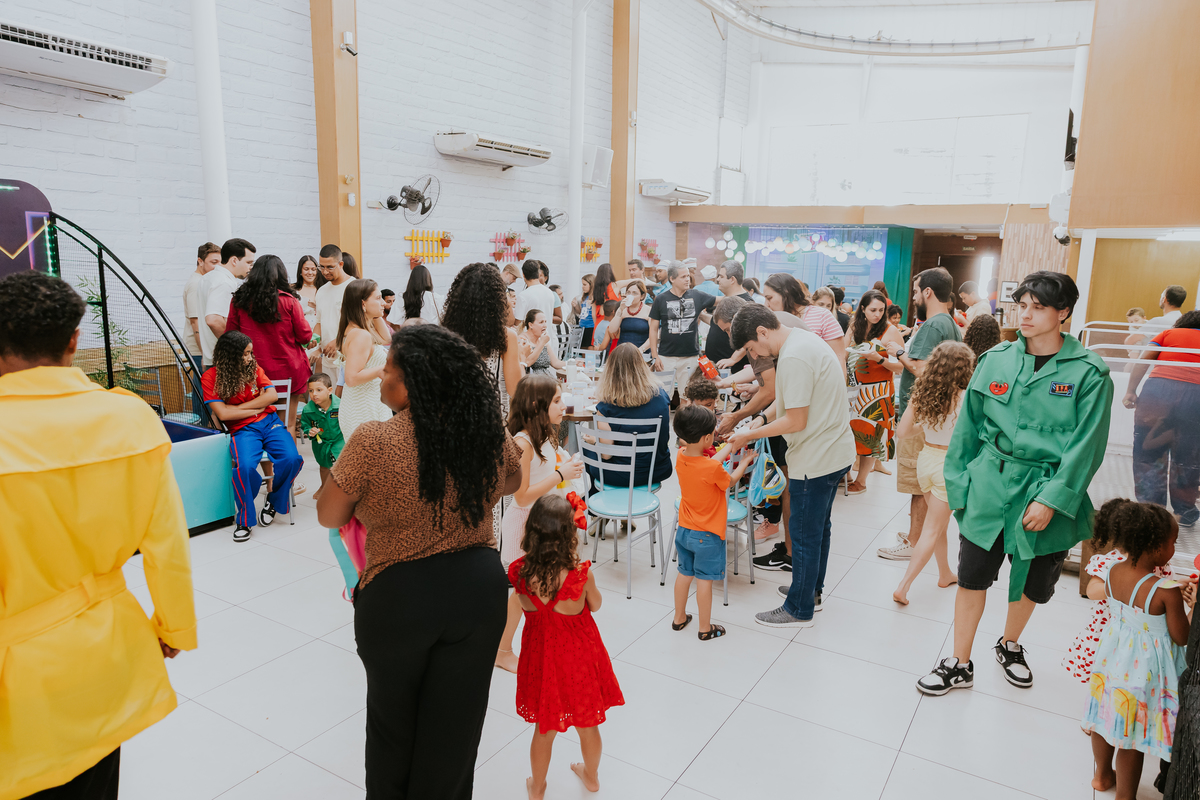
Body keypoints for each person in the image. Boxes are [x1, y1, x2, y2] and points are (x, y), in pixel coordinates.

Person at [0, 272, 197, 800]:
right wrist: (172, 628)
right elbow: (167, 545)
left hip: (18, 675)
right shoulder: (129, 418)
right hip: (107, 649)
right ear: (74, 341)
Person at [316, 324, 522, 800]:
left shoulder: (373, 442)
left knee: (392, 728)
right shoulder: (485, 433)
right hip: (477, 591)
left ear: (411, 384)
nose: (381, 379)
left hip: (398, 597)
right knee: (456, 729)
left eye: (388, 371)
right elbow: (511, 481)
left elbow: (329, 512)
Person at [918, 271, 1113, 696]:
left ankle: (1009, 645)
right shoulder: (995, 359)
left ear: (1063, 313)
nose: (1025, 314)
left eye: (1038, 307)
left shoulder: (1089, 373)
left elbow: (1087, 446)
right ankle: (960, 662)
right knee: (971, 577)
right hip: (990, 483)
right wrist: (960, 486)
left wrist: (1053, 500)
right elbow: (967, 430)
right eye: (1021, 305)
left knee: (1031, 583)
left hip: (1047, 488)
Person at [726, 304, 855, 628]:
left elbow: (795, 420)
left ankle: (799, 607)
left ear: (762, 332)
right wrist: (758, 418)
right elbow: (788, 404)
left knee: (803, 532)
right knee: (818, 529)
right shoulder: (802, 341)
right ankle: (810, 590)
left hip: (817, 458)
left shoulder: (795, 357)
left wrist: (749, 435)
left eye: (753, 349)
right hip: (834, 451)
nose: (756, 356)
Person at [509, 495, 624, 800]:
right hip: (579, 659)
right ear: (568, 534)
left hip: (541, 659)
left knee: (544, 730)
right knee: (587, 725)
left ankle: (537, 786)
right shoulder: (580, 573)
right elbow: (596, 606)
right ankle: (591, 775)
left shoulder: (519, 572)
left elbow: (522, 606)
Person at [1081, 500, 1190, 798]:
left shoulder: (1114, 570)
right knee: (1132, 737)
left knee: (1105, 720)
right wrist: (1191, 605)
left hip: (1113, 659)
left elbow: (1135, 597)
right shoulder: (1166, 591)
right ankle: (1125, 796)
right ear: (1155, 547)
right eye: (1173, 541)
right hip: (1143, 673)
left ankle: (1102, 777)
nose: (1174, 547)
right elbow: (1182, 637)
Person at [495, 375, 584, 672]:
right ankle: (504, 649)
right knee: (523, 596)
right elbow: (521, 497)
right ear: (537, 405)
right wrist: (561, 475)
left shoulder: (544, 435)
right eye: (556, 401)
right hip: (524, 526)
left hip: (541, 523)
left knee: (531, 594)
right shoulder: (523, 442)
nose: (563, 406)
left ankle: (522, 647)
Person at [878, 268, 962, 561]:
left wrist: (897, 351)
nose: (913, 297)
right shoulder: (950, 323)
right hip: (936, 416)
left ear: (928, 292)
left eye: (915, 292)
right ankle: (921, 536)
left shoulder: (933, 326)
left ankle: (914, 541)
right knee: (925, 484)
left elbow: (921, 368)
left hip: (923, 415)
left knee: (918, 483)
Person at [891, 342, 973, 605]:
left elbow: (902, 432)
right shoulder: (967, 396)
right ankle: (903, 587)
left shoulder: (924, 393)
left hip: (925, 461)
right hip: (950, 465)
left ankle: (945, 573)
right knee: (932, 528)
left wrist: (925, 424)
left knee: (939, 525)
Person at [203, 331, 303, 541]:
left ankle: (273, 501)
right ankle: (245, 520)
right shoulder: (211, 377)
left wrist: (240, 408)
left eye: (250, 353)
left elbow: (273, 396)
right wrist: (256, 408)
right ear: (230, 355)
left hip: (270, 423)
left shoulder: (254, 369)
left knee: (293, 459)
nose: (250, 358)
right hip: (242, 429)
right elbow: (223, 414)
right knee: (245, 468)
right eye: (245, 354)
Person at [670, 404, 757, 641]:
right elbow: (728, 479)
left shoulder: (681, 456)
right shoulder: (712, 468)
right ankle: (705, 628)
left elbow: (709, 464)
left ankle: (679, 618)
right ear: (707, 437)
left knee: (684, 574)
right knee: (704, 582)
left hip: (685, 530)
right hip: (707, 535)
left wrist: (730, 445)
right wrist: (744, 462)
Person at [1124, 311, 1200, 527]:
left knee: (1148, 453)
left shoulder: (1168, 334)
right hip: (1197, 395)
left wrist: (1131, 391)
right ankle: (1185, 512)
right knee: (1189, 456)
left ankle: (1152, 510)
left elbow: (1143, 360)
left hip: (1158, 393)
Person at [225, 254, 313, 431]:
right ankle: (285, 459)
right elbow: (305, 336)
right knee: (286, 424)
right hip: (289, 369)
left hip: (253, 372)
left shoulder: (239, 300)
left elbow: (231, 336)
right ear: (281, 275)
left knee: (255, 424)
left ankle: (262, 459)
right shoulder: (289, 301)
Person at [587, 343, 674, 491]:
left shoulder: (606, 407)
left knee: (586, 451)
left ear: (610, 371)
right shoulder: (662, 397)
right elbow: (664, 436)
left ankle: (597, 503)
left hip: (619, 475)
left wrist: (594, 441)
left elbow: (606, 455)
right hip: (657, 470)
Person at [844, 289, 904, 494]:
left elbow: (902, 366)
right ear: (863, 309)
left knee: (870, 435)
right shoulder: (854, 326)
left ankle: (861, 480)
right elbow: (843, 353)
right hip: (852, 388)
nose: (877, 314)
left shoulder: (891, 331)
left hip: (877, 392)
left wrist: (879, 359)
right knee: (849, 433)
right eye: (872, 310)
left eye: (881, 310)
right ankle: (847, 475)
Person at [649, 261, 717, 398]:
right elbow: (653, 329)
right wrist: (655, 356)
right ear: (672, 279)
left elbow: (720, 300)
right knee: (663, 396)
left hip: (690, 356)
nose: (687, 279)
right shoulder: (661, 299)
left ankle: (683, 420)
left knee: (687, 397)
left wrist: (739, 296)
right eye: (683, 277)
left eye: (688, 276)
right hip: (665, 356)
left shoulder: (697, 295)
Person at [337, 278, 394, 440]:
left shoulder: (359, 329)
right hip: (363, 409)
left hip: (369, 404)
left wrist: (375, 313)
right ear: (363, 304)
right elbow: (351, 378)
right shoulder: (360, 335)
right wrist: (383, 369)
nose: (383, 302)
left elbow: (386, 337)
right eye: (377, 298)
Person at [762, 274, 846, 380]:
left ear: (786, 293)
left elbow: (839, 358)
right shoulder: (775, 321)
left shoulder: (822, 316)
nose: (766, 304)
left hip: (819, 384)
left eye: (769, 298)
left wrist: (839, 390)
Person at [200, 237, 255, 367]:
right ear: (234, 260)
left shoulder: (207, 278)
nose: (250, 268)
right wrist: (236, 348)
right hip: (225, 360)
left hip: (211, 356)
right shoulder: (224, 282)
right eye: (248, 262)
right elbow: (213, 320)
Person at [314, 244, 353, 389]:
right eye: (321, 267)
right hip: (328, 359)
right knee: (332, 404)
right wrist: (314, 340)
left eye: (330, 267)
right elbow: (319, 322)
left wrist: (338, 340)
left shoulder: (354, 287)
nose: (324, 271)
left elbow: (360, 323)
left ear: (340, 264)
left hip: (349, 357)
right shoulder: (322, 291)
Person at [300, 373, 344, 501]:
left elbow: (348, 421)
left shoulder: (340, 406)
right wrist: (310, 431)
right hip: (321, 443)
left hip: (339, 440)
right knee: (324, 466)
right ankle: (324, 486)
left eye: (319, 390)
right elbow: (305, 425)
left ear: (329, 390)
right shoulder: (308, 409)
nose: (314, 394)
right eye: (311, 391)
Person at [705, 260, 754, 370]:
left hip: (732, 368)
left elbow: (750, 337)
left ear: (732, 279)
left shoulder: (747, 304)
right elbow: (718, 324)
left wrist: (733, 359)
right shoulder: (726, 300)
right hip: (717, 365)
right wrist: (701, 315)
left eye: (721, 276)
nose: (717, 280)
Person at [183, 242, 220, 371]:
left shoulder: (203, 281)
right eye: (213, 262)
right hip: (199, 350)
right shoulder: (196, 284)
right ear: (200, 261)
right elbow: (195, 321)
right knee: (203, 389)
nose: (217, 267)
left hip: (203, 349)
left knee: (200, 389)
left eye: (220, 263)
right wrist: (204, 353)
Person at [515, 259, 559, 354]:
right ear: (538, 273)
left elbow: (517, 322)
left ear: (523, 275)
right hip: (548, 338)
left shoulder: (523, 295)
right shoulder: (549, 293)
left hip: (530, 343)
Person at [598, 280, 652, 355]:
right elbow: (612, 329)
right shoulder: (622, 309)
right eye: (628, 292)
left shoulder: (648, 311)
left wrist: (641, 350)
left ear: (642, 296)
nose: (630, 295)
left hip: (641, 353)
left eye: (634, 293)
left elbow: (654, 335)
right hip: (623, 353)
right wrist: (620, 309)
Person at [519, 310, 568, 377]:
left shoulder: (542, 340)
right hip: (532, 380)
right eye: (541, 322)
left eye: (545, 322)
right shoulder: (523, 340)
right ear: (531, 325)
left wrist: (572, 363)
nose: (544, 325)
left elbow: (555, 363)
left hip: (547, 378)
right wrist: (542, 343)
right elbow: (528, 362)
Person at [393, 262, 444, 326]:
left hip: (409, 333)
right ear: (428, 279)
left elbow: (395, 322)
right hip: (432, 333)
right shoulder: (437, 298)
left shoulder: (402, 297)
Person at [293, 254, 324, 335]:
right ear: (300, 271)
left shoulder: (323, 289)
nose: (310, 272)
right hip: (299, 333)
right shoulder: (293, 290)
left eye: (313, 269)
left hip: (320, 334)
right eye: (306, 269)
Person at [590, 262, 622, 329]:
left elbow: (593, 314)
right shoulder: (615, 285)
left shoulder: (596, 290)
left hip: (599, 322)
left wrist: (597, 327)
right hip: (612, 321)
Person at [573, 273, 596, 349]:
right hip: (582, 326)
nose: (582, 287)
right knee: (582, 349)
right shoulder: (585, 297)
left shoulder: (594, 298)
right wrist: (576, 306)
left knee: (589, 350)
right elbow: (583, 313)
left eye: (584, 284)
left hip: (590, 327)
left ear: (591, 284)